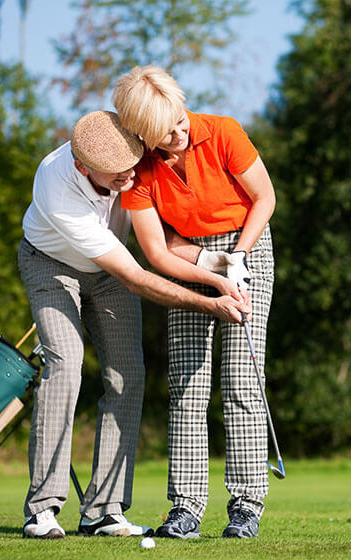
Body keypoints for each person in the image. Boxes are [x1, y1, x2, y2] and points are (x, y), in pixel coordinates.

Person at [18, 110, 249, 539]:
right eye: (116, 173)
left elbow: (163, 239)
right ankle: (43, 509)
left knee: (128, 376)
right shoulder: (57, 185)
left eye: (131, 164)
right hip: (50, 266)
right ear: (82, 166)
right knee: (66, 366)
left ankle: (103, 511)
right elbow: (137, 276)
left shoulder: (133, 157)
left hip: (108, 272)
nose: (129, 175)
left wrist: (219, 266)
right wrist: (209, 304)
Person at [112, 64, 277, 540]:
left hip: (248, 243)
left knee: (243, 378)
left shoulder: (224, 132)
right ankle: (186, 507)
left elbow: (264, 199)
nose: (180, 133)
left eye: (181, 120)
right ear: (144, 134)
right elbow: (157, 252)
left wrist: (238, 259)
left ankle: (246, 505)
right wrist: (214, 270)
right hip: (187, 255)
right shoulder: (139, 171)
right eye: (166, 132)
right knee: (187, 381)